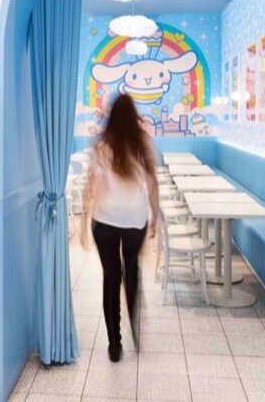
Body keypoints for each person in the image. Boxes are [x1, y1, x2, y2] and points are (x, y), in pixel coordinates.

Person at [80, 94, 160, 362]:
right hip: (135, 220)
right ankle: (134, 320)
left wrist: (83, 223)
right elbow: (152, 183)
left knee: (111, 277)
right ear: (133, 116)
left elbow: (90, 187)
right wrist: (155, 216)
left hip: (104, 221)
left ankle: (114, 343)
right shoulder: (142, 143)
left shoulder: (101, 145)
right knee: (132, 268)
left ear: (112, 116)